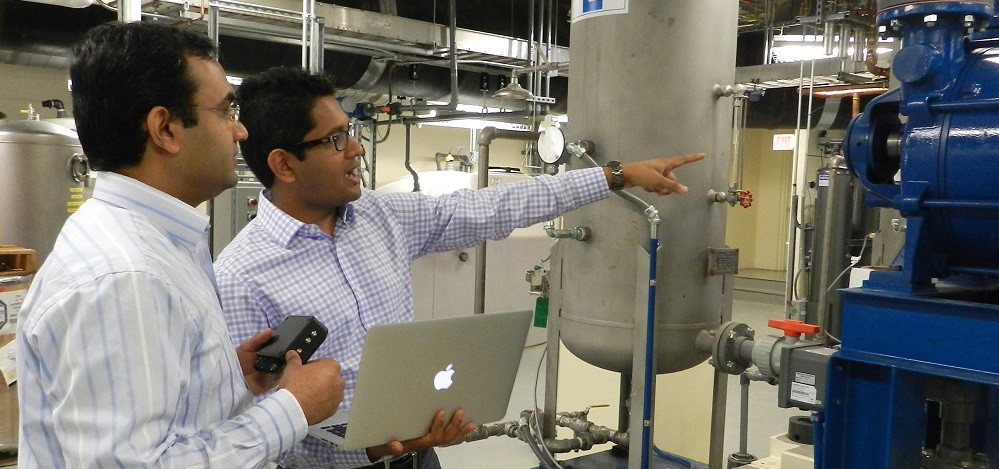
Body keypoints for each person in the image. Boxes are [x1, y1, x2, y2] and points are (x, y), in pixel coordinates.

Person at [215, 65, 704, 469]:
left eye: (352, 132)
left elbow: (494, 207)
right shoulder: (242, 275)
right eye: (337, 139)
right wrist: (365, 450)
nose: (357, 149)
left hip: (418, 456)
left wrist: (613, 177)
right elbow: (251, 432)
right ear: (284, 164)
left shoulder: (379, 217)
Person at [15, 23, 345, 468]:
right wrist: (292, 409)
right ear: (165, 128)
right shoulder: (127, 277)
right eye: (227, 111)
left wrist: (221, 378)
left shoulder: (160, 244)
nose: (241, 131)